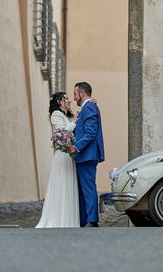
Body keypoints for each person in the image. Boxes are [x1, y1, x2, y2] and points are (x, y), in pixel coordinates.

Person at [36, 91, 80, 228]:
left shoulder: (65, 116)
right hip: (62, 156)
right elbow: (62, 133)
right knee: (61, 185)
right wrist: (75, 124)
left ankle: (68, 219)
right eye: (66, 98)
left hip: (69, 155)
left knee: (68, 185)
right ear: (59, 102)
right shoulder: (56, 115)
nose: (69, 101)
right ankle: (58, 218)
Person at [70, 82, 105, 227]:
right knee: (83, 189)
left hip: (87, 155)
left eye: (75, 94)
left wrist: (76, 147)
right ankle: (84, 219)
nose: (74, 98)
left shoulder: (89, 107)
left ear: (82, 93)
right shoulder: (87, 108)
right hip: (84, 156)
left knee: (88, 188)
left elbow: (90, 133)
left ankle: (92, 219)